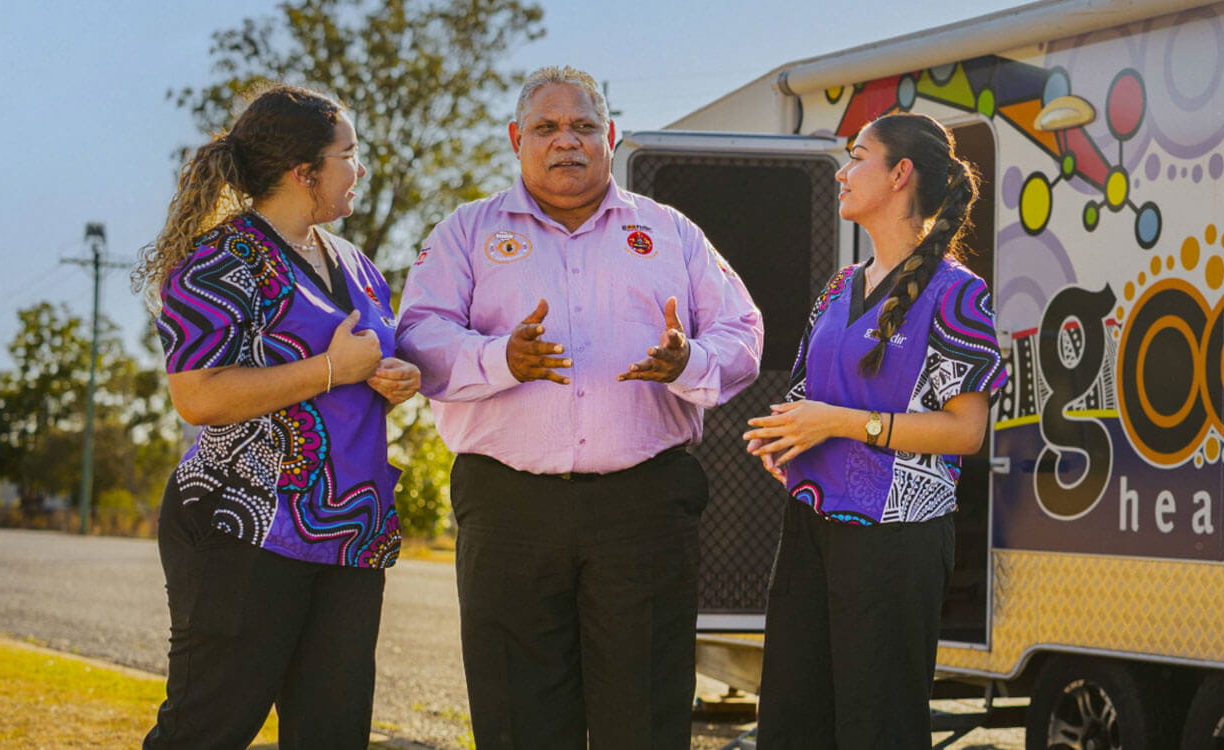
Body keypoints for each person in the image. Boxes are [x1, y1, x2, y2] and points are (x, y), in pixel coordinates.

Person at [395, 65, 763, 749]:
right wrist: (502, 359)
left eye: (583, 126)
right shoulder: (465, 232)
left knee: (645, 716)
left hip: (643, 507)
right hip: (508, 508)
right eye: (547, 126)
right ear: (517, 139)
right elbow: (418, 336)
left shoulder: (671, 232)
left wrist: (689, 362)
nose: (566, 140)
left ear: (610, 136)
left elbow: (741, 331)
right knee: (518, 716)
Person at [134, 84, 418, 749]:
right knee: (208, 729)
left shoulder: (358, 266)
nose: (360, 168)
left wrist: (396, 378)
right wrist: (332, 369)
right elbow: (198, 396)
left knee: (332, 734)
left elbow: (370, 365)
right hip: (244, 525)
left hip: (350, 532)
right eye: (348, 154)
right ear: (303, 171)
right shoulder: (219, 261)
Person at [741, 112, 1009, 749]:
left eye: (857, 157)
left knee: (878, 728)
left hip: (896, 539)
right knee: (791, 722)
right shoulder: (839, 287)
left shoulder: (958, 294)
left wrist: (838, 424)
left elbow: (966, 432)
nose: (843, 173)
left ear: (899, 174)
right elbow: (808, 395)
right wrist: (785, 436)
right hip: (809, 526)